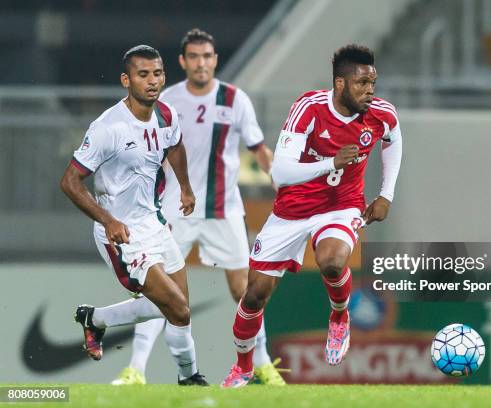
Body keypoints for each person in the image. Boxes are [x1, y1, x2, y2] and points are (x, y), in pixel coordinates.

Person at [221, 44, 403, 388]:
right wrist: (330, 162)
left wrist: (386, 193)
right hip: (292, 211)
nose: (370, 90)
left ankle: (339, 316)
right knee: (254, 294)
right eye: (362, 83)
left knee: (332, 261)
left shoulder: (381, 114)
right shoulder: (309, 108)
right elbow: (282, 173)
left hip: (342, 205)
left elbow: (393, 139)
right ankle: (243, 367)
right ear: (340, 84)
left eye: (373, 82)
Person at [111, 29, 283, 386]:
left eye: (207, 56)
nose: (201, 63)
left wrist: (282, 182)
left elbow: (258, 150)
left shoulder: (235, 100)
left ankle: (262, 365)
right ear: (182, 62)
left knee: (246, 290)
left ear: (215, 60)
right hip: (174, 210)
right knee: (160, 290)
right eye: (194, 57)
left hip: (224, 210)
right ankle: (136, 370)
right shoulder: (167, 102)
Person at [60, 45, 207, 386]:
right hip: (120, 233)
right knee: (179, 308)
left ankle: (94, 319)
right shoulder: (108, 127)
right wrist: (107, 220)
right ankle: (189, 379)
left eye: (157, 74)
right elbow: (69, 181)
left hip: (154, 223)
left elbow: (175, 145)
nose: (152, 81)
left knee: (178, 307)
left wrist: (184, 187)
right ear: (126, 80)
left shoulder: (166, 115)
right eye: (143, 75)